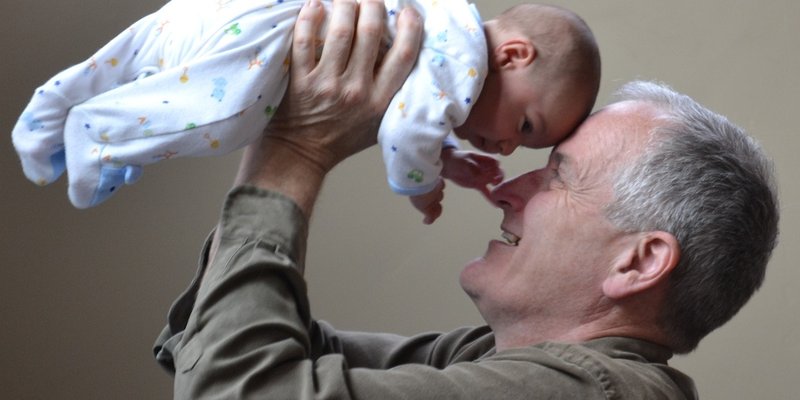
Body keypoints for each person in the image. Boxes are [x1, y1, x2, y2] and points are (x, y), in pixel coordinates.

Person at [153, 1, 779, 399]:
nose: (506, 189)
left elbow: (230, 385)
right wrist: (290, 108)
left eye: (557, 175)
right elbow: (215, 338)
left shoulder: (587, 391)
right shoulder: (496, 359)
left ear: (638, 262)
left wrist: (296, 150)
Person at [11, 0, 600, 223]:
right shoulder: (463, 59)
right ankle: (98, 135)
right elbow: (405, 128)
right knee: (223, 121)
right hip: (272, 42)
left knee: (134, 56)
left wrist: (449, 158)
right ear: (514, 55)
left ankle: (51, 118)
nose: (503, 147)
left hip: (242, 15)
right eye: (525, 126)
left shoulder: (445, 28)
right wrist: (419, 185)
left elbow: (417, 111)